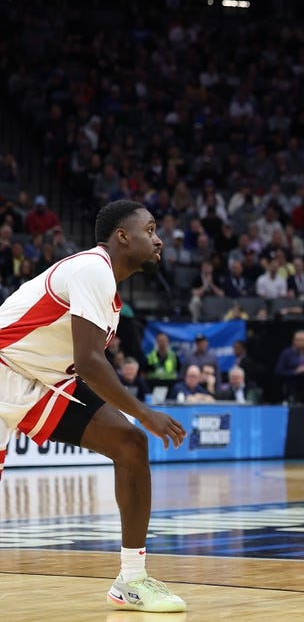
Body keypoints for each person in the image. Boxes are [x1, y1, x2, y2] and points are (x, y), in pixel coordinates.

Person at [0, 200, 186, 610]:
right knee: (136, 431)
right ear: (123, 236)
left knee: (130, 445)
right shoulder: (92, 268)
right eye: (150, 230)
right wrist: (145, 411)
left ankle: (131, 580)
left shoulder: (106, 288)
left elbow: (81, 365)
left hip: (43, 382)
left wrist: (136, 420)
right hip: (3, 367)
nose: (158, 240)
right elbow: (88, 361)